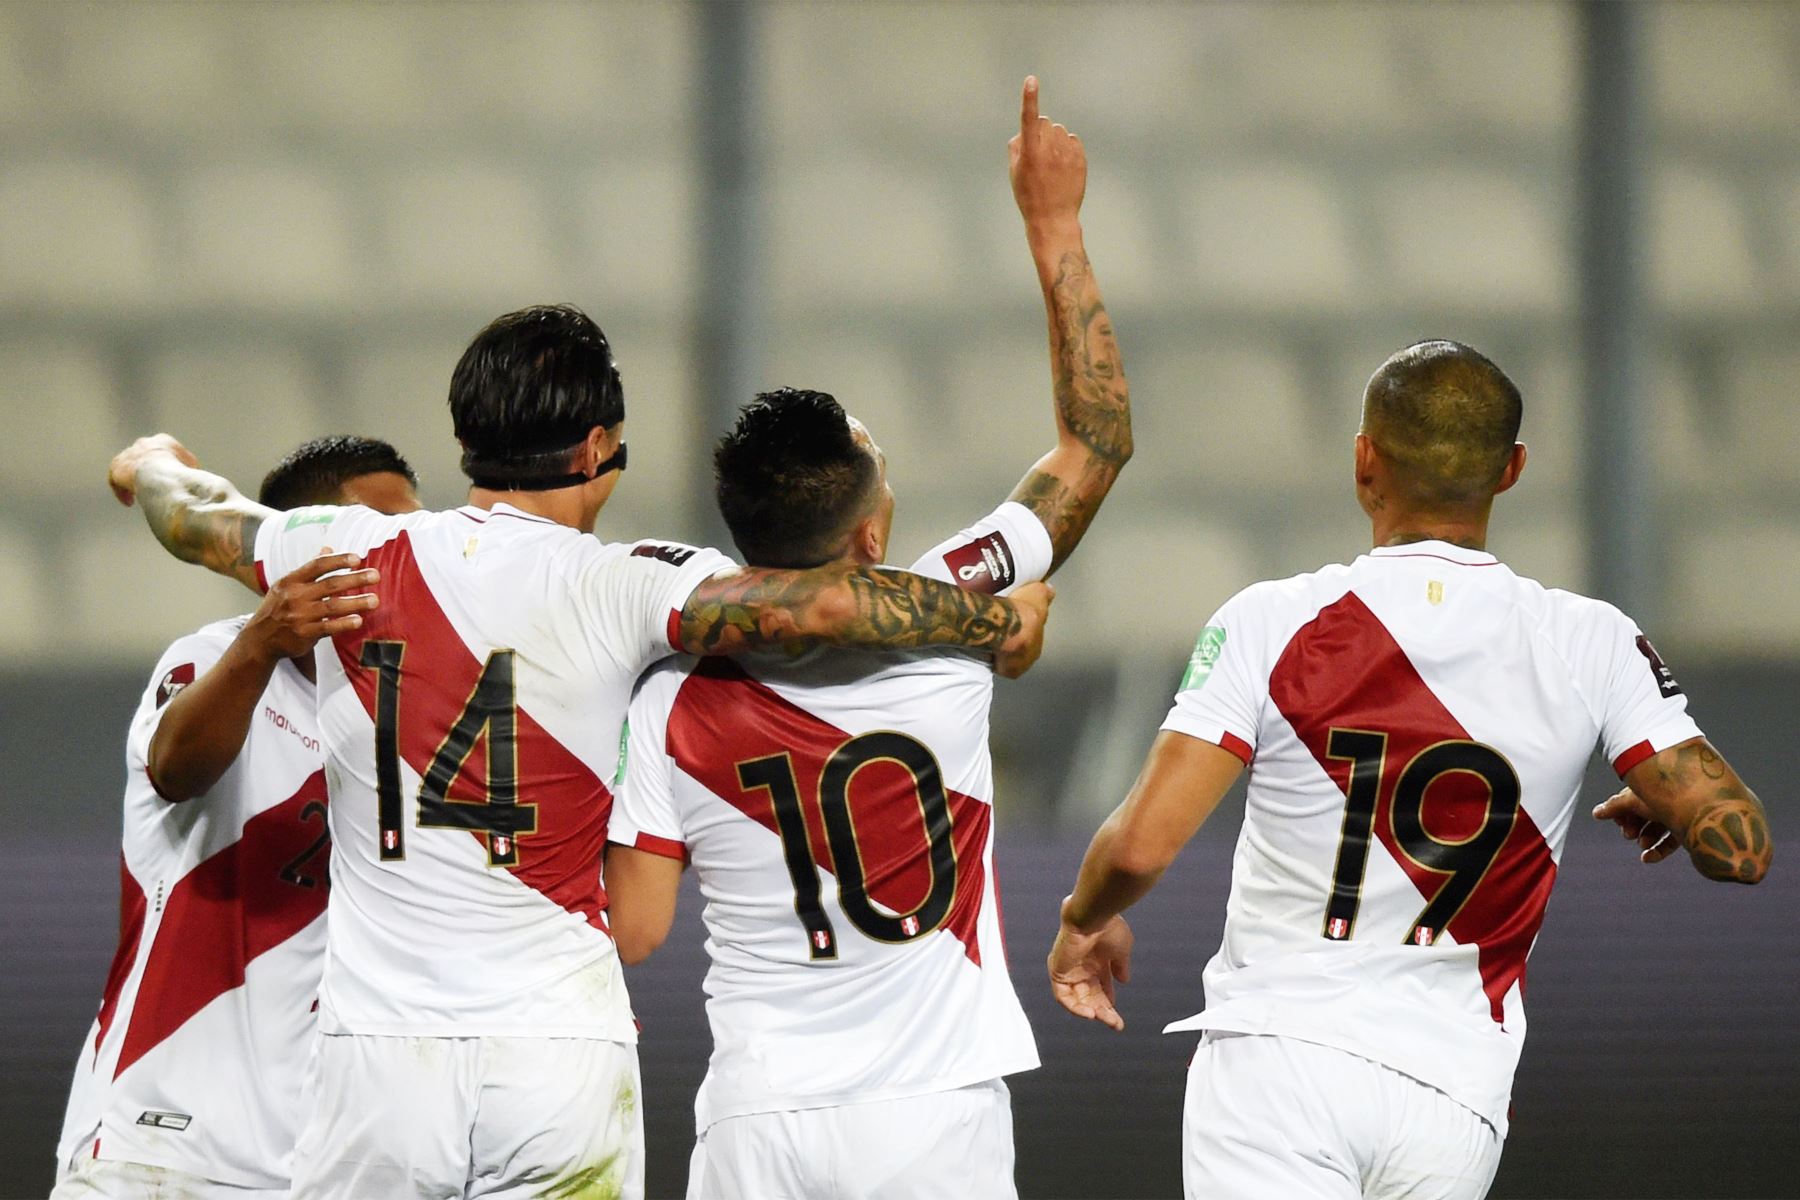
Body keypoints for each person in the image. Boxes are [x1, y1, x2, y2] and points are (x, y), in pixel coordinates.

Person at [104, 304, 1053, 1200]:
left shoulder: (348, 547)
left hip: (381, 1055)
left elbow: (190, 509)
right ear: (598, 448)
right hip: (559, 1054)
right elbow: (833, 606)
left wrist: (145, 462)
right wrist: (991, 620)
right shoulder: (634, 583)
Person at [1047, 340, 1771, 1200]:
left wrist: (1085, 918)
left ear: (1363, 460)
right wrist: (1682, 814)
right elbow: (1744, 848)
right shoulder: (1593, 641)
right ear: (1512, 471)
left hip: (1279, 1065)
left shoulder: (1273, 622)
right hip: (1452, 1093)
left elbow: (1140, 848)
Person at [604, 76, 1126, 1200]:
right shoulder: (950, 621)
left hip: (759, 1116)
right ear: (874, 527)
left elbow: (636, 923)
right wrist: (1054, 225)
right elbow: (1096, 444)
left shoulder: (667, 698)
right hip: (933, 1111)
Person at [55, 437, 422, 1199]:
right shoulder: (213, 658)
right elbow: (177, 769)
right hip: (158, 1151)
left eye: (413, 537)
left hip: (324, 1167)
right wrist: (260, 643)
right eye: (376, 537)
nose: (402, 562)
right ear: (297, 551)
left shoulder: (418, 721)